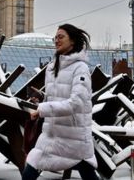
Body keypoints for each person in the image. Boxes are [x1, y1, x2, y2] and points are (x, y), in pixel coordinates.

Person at [22, 23, 98, 180]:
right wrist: (40, 102)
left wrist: (43, 109)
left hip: (74, 138)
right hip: (51, 135)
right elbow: (53, 98)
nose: (56, 40)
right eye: (55, 37)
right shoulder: (51, 68)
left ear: (73, 41)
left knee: (87, 171)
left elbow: (76, 103)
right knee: (30, 168)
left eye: (61, 37)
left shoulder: (80, 68)